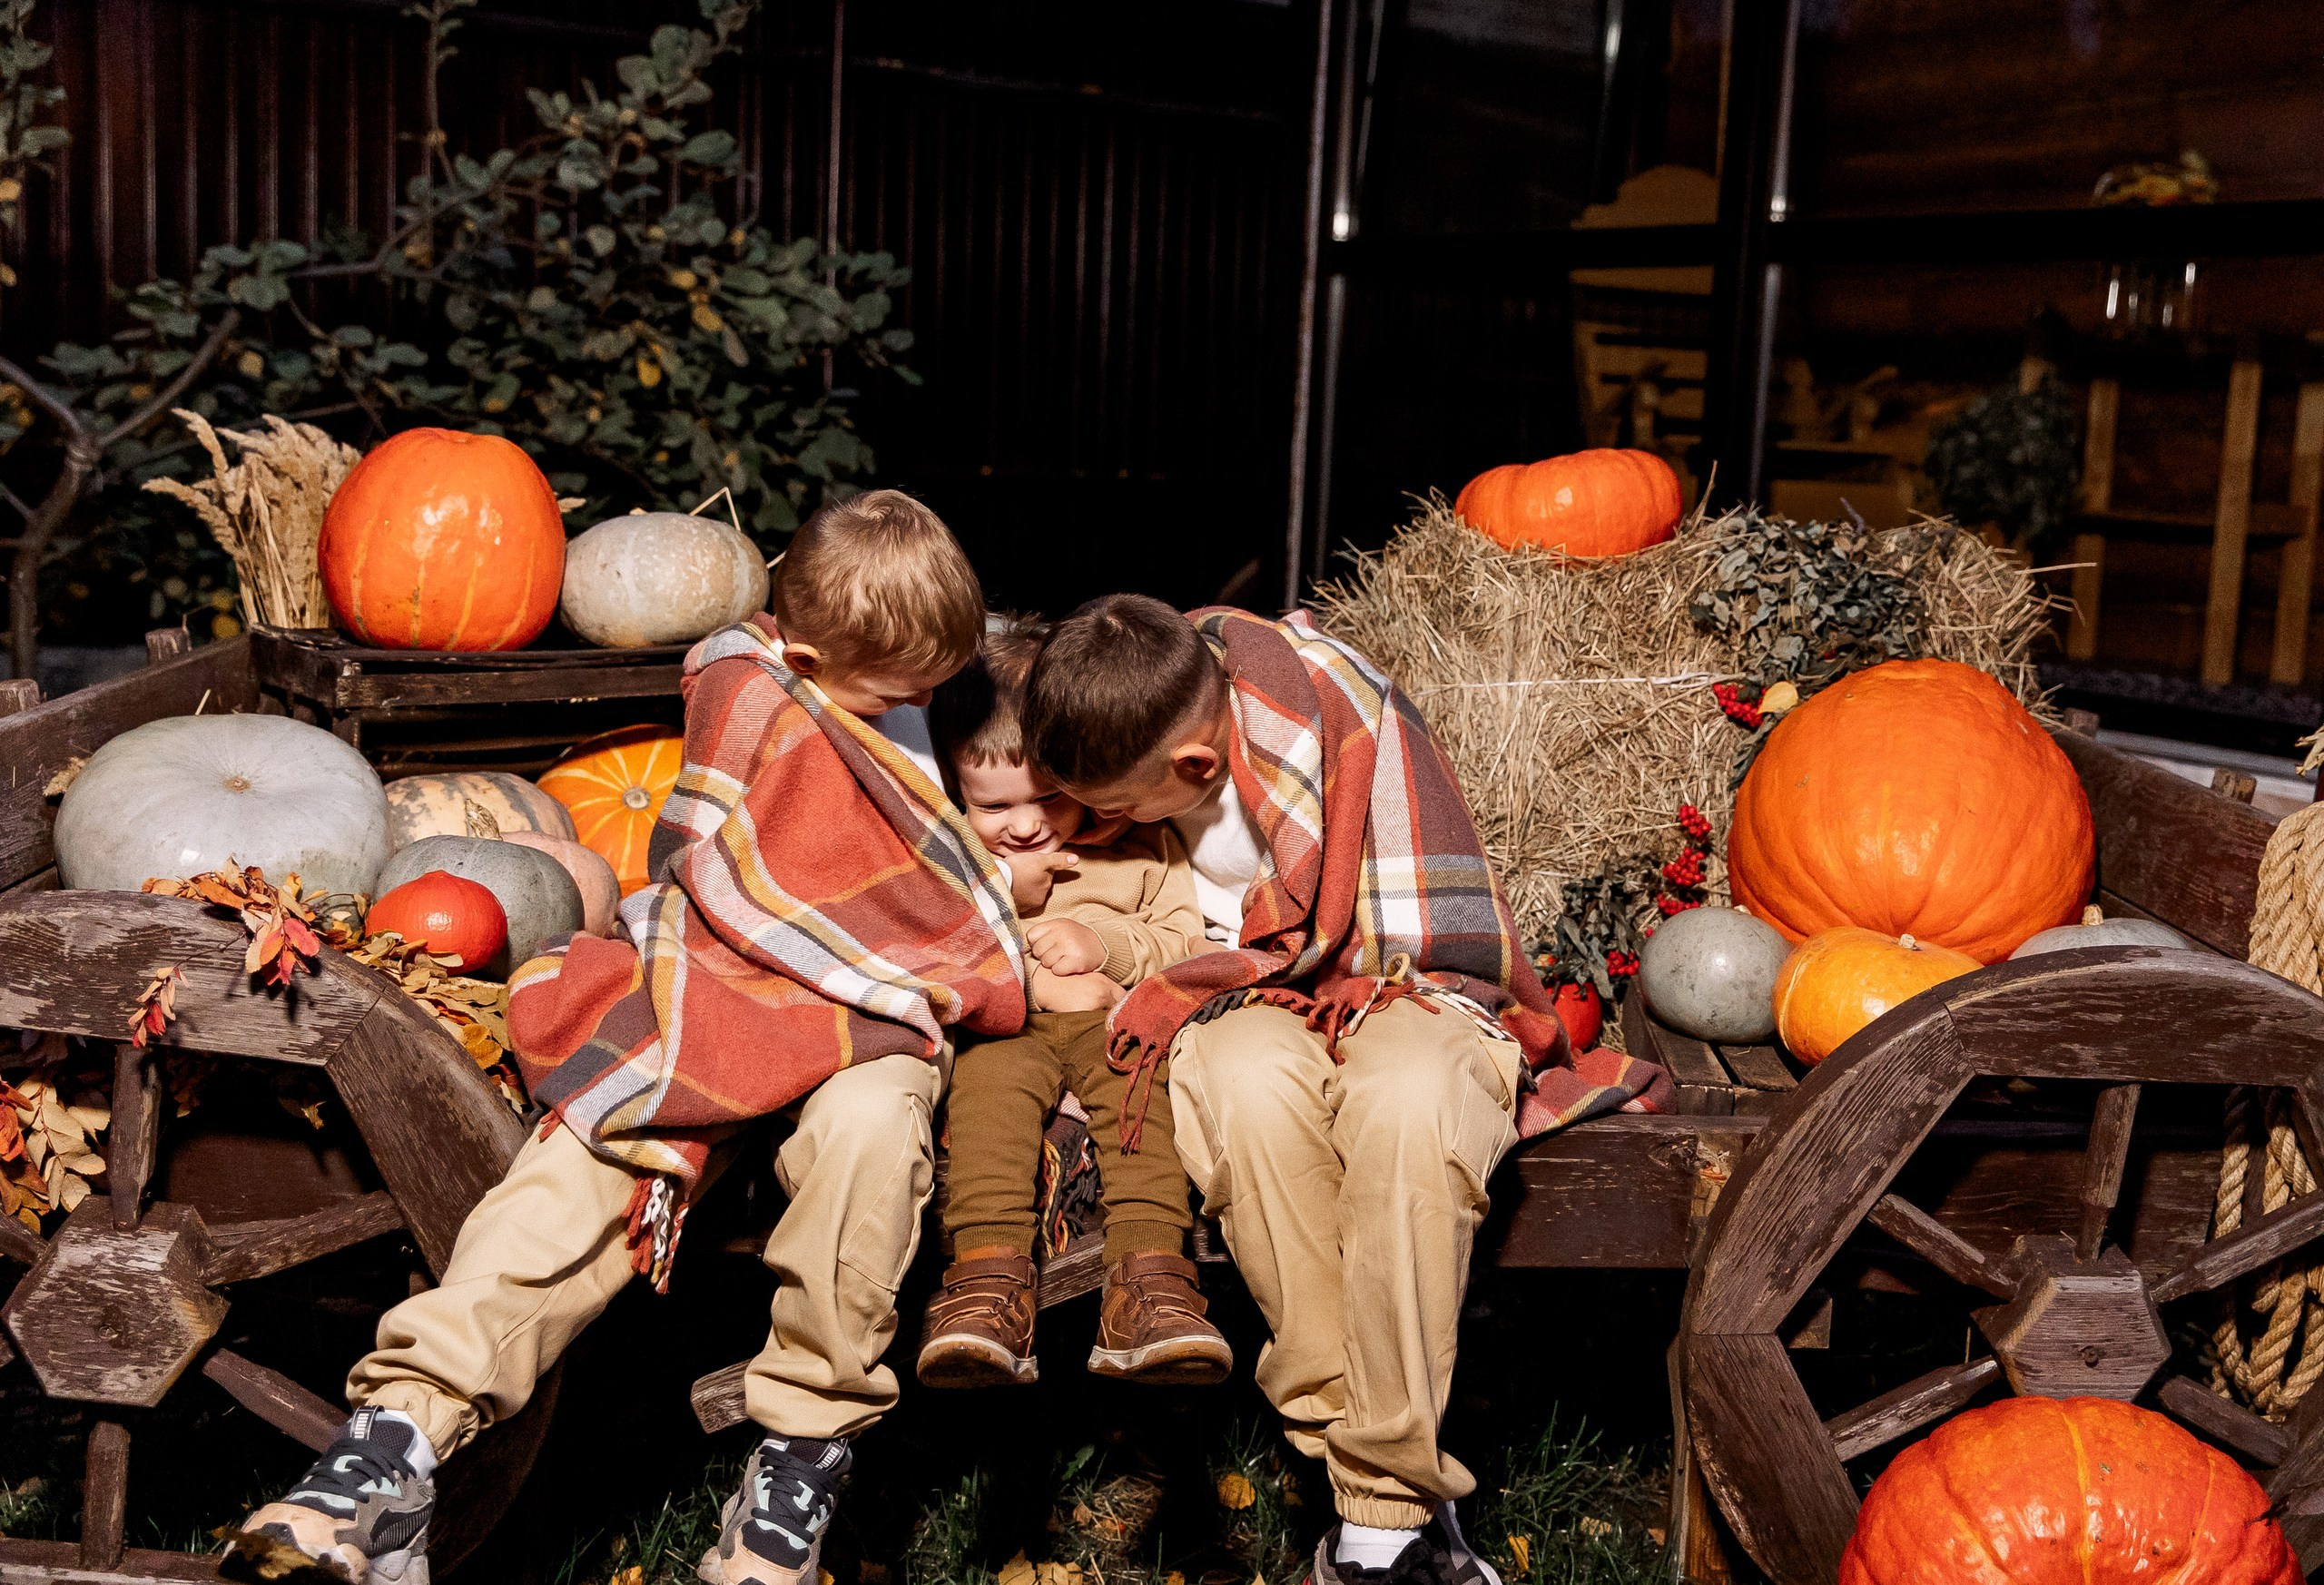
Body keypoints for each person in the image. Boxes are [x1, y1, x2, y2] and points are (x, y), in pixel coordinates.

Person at [224, 491, 1024, 1585]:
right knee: (592, 1152)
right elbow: (737, 859)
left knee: (875, 1134)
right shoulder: (753, 690)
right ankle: (393, 1444)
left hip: (875, 1015)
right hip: (717, 986)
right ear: (798, 646)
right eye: (898, 688)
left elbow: (949, 875)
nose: (923, 699)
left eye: (934, 677)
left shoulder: (943, 705)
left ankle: (798, 1460)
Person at [1019, 596, 1668, 1585]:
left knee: (1411, 1105)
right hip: (1240, 989)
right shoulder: (1138, 715)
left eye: (1121, 806)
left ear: (1194, 766)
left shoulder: (1329, 714)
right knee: (1245, 1092)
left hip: (1405, 981)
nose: (1104, 823)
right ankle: (1393, 1512)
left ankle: (1368, 1530)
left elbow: (1415, 923)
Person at [915, 615, 1230, 1390]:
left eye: (1049, 797)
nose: (1024, 825)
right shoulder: (951, 856)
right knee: (989, 1097)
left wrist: (1107, 947)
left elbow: (1187, 942)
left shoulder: (1140, 845)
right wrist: (1008, 915)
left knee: (1137, 1098)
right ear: (958, 791)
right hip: (1004, 1028)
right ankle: (987, 1284)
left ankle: (1152, 1284)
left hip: (1113, 1021)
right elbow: (926, 947)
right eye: (994, 809)